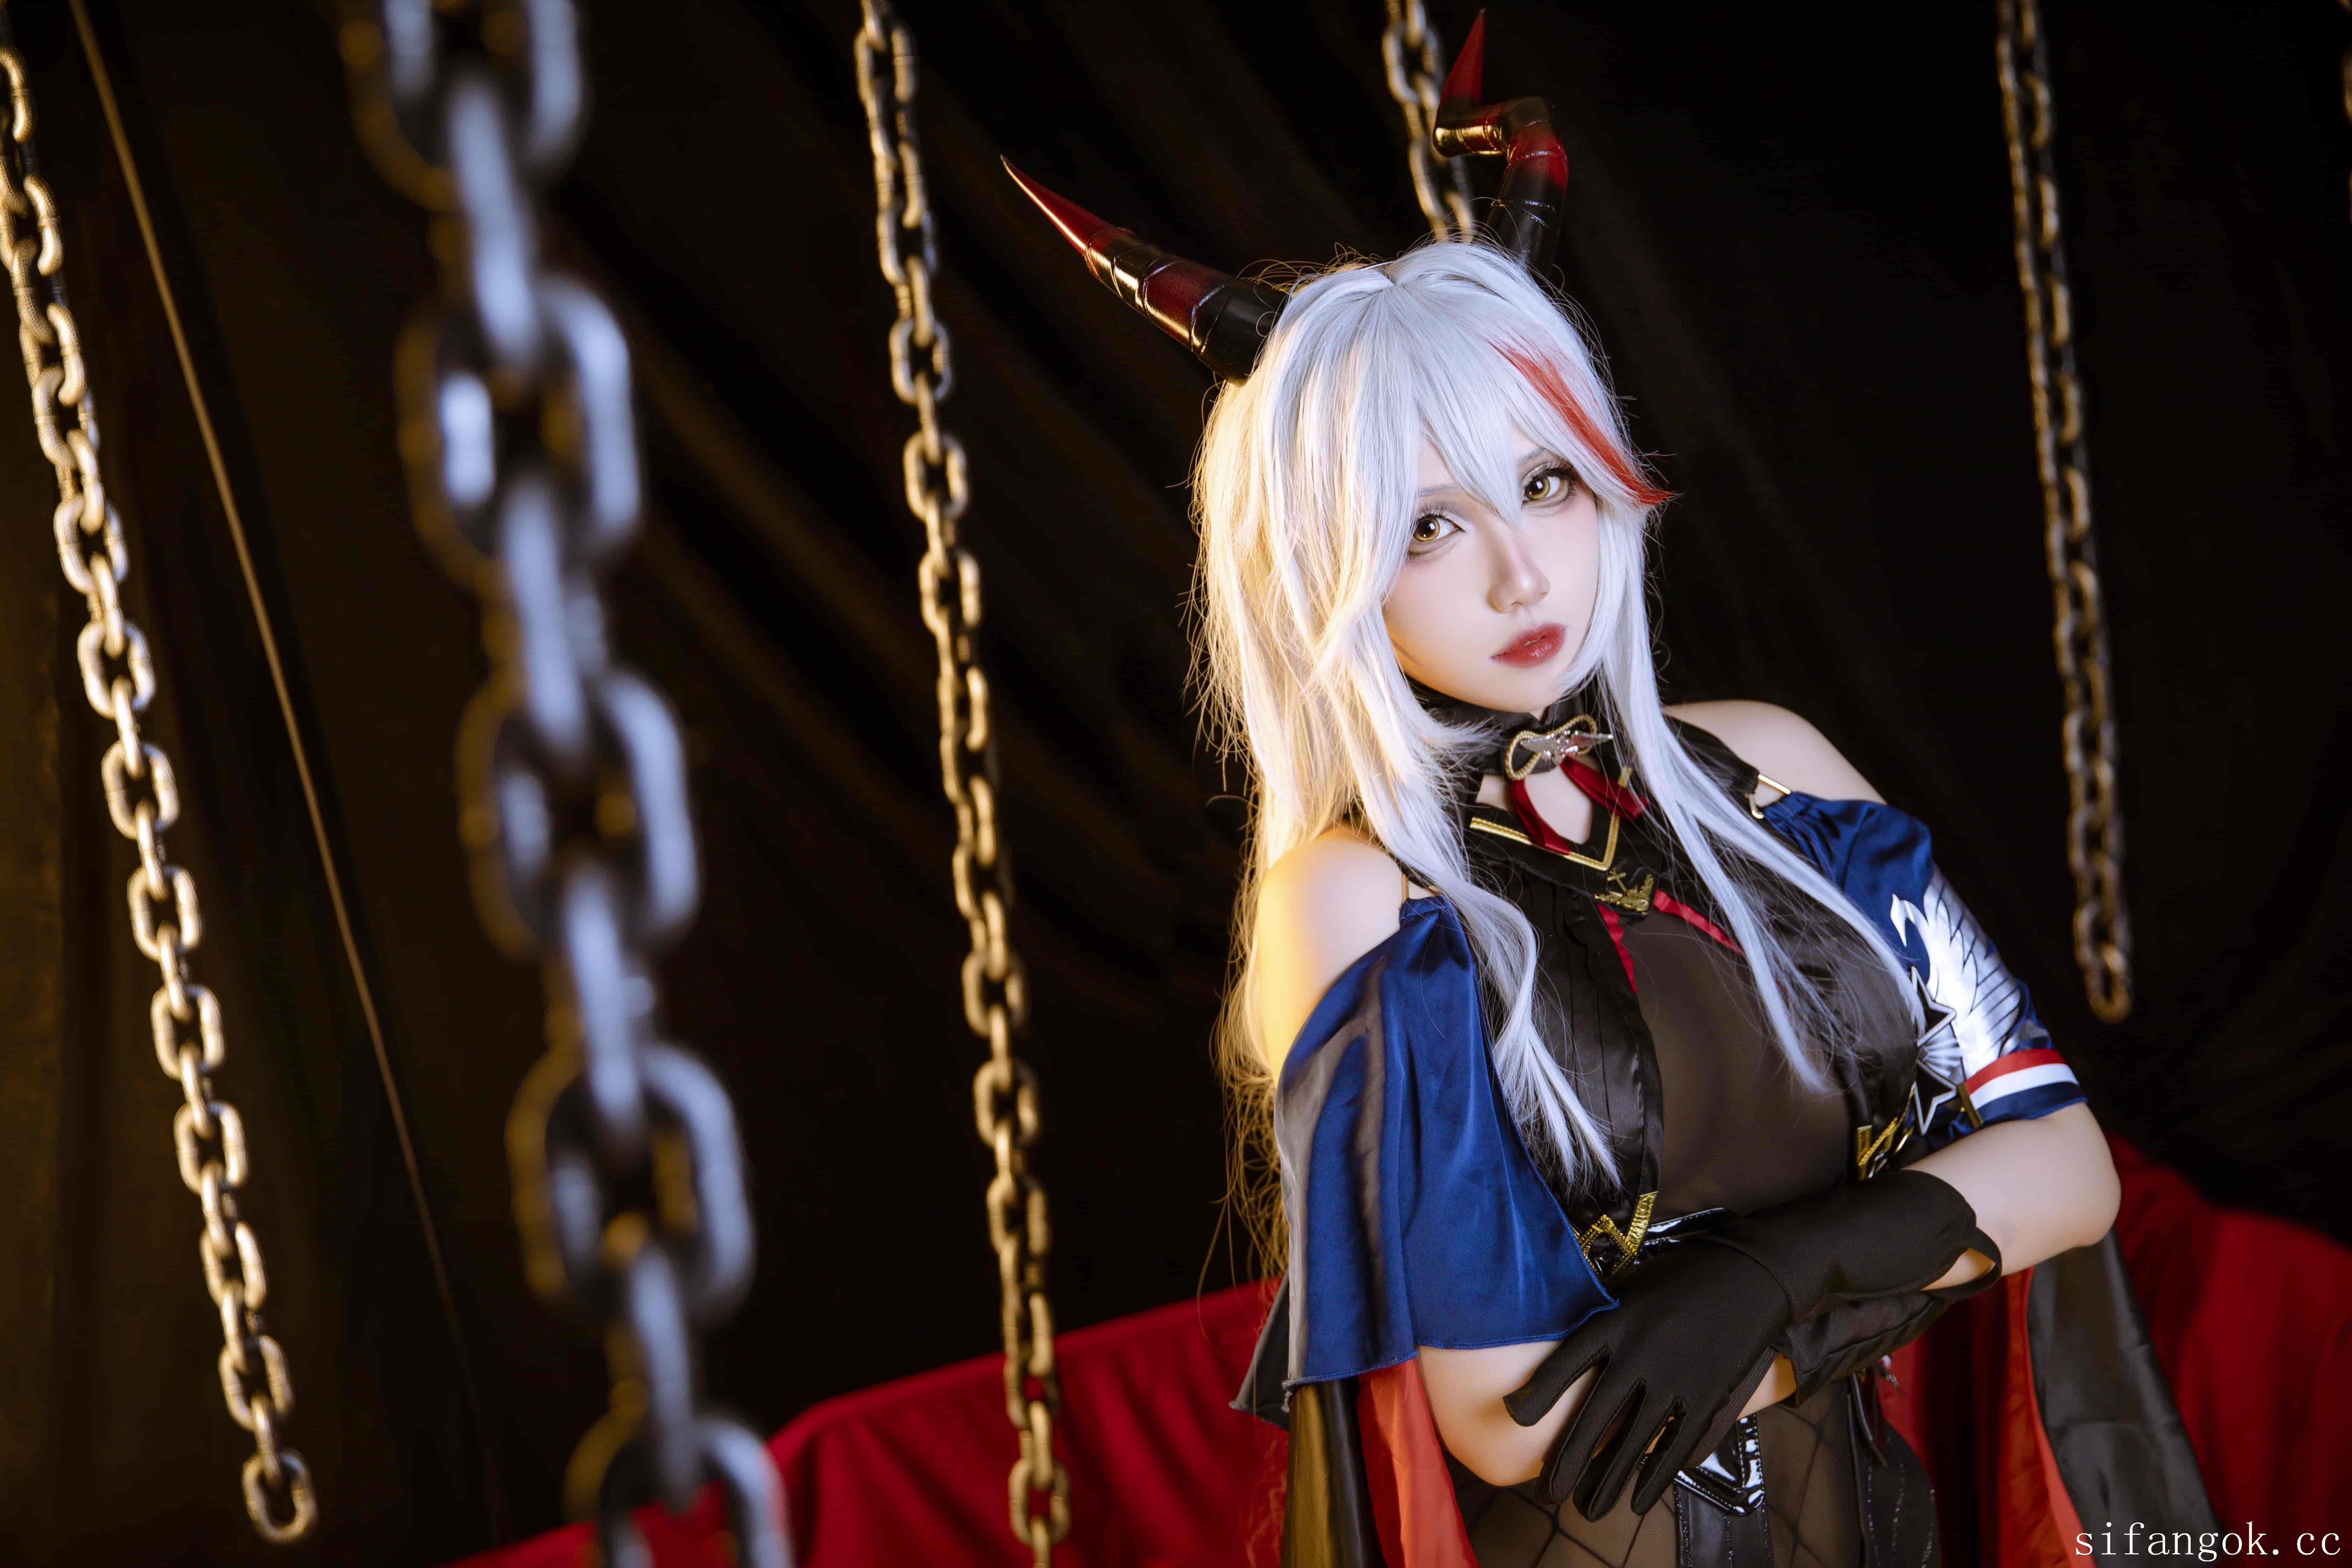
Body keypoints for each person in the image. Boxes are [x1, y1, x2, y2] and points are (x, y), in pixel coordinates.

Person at [1007, 20, 2211, 1564]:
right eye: (1426, 525)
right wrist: (1893, 1252)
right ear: (1319, 574)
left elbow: (2069, 1166)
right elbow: (1518, 1417)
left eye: (1546, 482)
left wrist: (1769, 1289)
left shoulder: (1774, 771)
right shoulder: (1355, 899)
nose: (1521, 572)